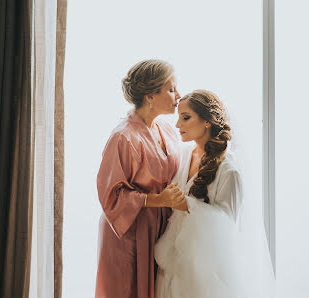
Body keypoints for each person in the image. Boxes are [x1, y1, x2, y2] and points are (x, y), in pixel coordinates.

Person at [155, 90, 276, 298]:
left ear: (207, 122)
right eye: (178, 118)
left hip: (205, 273)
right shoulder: (185, 155)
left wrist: (188, 205)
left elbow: (229, 225)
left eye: (185, 118)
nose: (177, 125)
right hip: (173, 264)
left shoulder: (229, 170)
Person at [95, 59, 189, 298]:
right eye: (170, 89)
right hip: (128, 232)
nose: (178, 95)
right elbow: (111, 196)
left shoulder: (166, 130)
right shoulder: (123, 137)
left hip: (158, 228)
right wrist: (159, 200)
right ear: (150, 96)